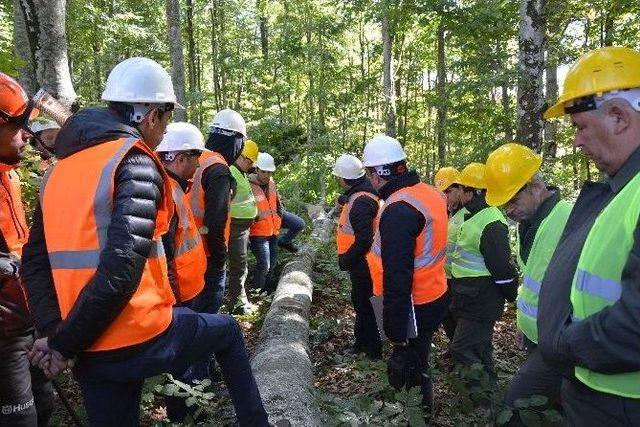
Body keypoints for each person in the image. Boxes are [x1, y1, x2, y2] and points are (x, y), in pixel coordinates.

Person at [20, 57, 268, 427]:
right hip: (139, 333)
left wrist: (56, 333)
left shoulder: (57, 172)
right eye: (166, 119)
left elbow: (34, 264)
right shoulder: (133, 162)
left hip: (87, 349)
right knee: (228, 331)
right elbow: (121, 268)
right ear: (148, 116)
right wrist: (63, 343)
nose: (165, 132)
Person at [537, 46, 640, 425]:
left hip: (622, 405)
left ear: (618, 117)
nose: (577, 142)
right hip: (597, 392)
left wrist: (565, 343)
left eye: (581, 127)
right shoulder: (622, 189)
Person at [485, 143, 572, 418]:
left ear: (534, 186)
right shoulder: (529, 225)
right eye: (503, 204)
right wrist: (524, 323)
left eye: (513, 200)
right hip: (539, 338)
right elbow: (534, 282)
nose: (508, 210)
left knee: (515, 407)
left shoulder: (566, 219)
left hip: (559, 344)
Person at [364, 134, 449, 414]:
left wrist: (396, 333)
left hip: (412, 304)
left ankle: (419, 414)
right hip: (434, 292)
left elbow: (397, 277)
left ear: (378, 175)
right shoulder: (429, 193)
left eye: (369, 173)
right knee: (420, 358)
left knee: (412, 365)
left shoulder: (399, 209)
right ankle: (420, 407)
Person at [0, 72, 54, 427]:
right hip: (3, 331)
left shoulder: (9, 174)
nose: (26, 135)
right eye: (19, 125)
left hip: (25, 316)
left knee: (45, 407)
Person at [448, 162, 518, 380]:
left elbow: (503, 269)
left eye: (462, 189)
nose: (459, 194)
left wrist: (511, 294)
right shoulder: (474, 216)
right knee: (481, 349)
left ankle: (479, 400)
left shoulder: (491, 222)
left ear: (474, 192)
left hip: (481, 300)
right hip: (468, 297)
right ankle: (490, 395)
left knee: (462, 349)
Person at [188, 108, 246, 314]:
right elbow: (215, 221)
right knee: (206, 315)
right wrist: (220, 258)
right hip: (206, 255)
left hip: (185, 252)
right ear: (236, 141)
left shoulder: (194, 158)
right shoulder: (218, 170)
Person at [333, 154, 382, 360]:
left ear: (345, 179)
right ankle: (361, 343)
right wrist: (345, 199)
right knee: (360, 301)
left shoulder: (361, 202)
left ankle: (373, 352)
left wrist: (346, 260)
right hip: (362, 262)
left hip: (363, 263)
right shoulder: (362, 194)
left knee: (366, 305)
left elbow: (363, 240)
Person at [156, 122, 208, 305]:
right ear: (181, 159)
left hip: (188, 287)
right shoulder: (166, 191)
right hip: (180, 295)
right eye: (197, 156)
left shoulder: (175, 186)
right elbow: (164, 253)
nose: (199, 163)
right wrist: (174, 299)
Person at [434, 166, 468, 341]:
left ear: (460, 188)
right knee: (446, 316)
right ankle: (453, 348)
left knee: (460, 320)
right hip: (445, 278)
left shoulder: (468, 215)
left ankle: (461, 355)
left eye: (448, 191)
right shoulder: (448, 213)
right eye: (443, 193)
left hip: (461, 280)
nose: (445, 197)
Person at [228, 139, 259, 313]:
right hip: (236, 227)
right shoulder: (232, 173)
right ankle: (238, 304)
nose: (251, 165)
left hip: (243, 227)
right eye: (249, 161)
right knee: (239, 264)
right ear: (241, 156)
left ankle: (240, 299)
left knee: (241, 263)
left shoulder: (241, 172)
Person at [249, 152, 282, 292]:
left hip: (273, 230)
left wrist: (279, 218)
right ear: (256, 169)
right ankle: (258, 291)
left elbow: (277, 204)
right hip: (257, 233)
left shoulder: (271, 183)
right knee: (264, 264)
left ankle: (268, 288)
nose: (267, 175)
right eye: (264, 172)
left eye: (269, 172)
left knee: (272, 263)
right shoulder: (248, 185)